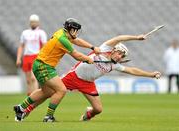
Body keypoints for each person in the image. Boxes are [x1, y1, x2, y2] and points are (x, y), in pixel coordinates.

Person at [16, 33, 161, 122]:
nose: (120, 57)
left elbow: (132, 70)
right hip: (73, 77)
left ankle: (87, 115)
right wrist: (137, 37)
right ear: (115, 50)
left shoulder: (114, 65)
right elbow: (119, 38)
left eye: (122, 56)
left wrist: (151, 74)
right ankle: (26, 110)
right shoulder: (104, 48)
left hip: (88, 84)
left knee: (98, 109)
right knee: (49, 93)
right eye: (120, 53)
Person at [13, 18, 100, 122]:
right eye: (76, 30)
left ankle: (21, 108)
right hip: (44, 66)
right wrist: (88, 59)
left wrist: (92, 47)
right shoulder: (62, 40)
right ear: (71, 30)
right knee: (61, 90)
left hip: (41, 64)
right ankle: (48, 117)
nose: (77, 32)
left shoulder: (62, 33)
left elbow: (76, 40)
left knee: (46, 91)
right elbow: (76, 55)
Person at [16, 14, 47, 96]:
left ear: (38, 23)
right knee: (28, 80)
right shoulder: (25, 33)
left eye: (35, 22)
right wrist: (18, 58)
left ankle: (35, 96)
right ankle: (29, 97)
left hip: (36, 56)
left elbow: (44, 46)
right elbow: (21, 46)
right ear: (30, 23)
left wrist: (43, 58)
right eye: (32, 22)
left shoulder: (41, 33)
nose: (33, 23)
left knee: (34, 78)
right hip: (26, 57)